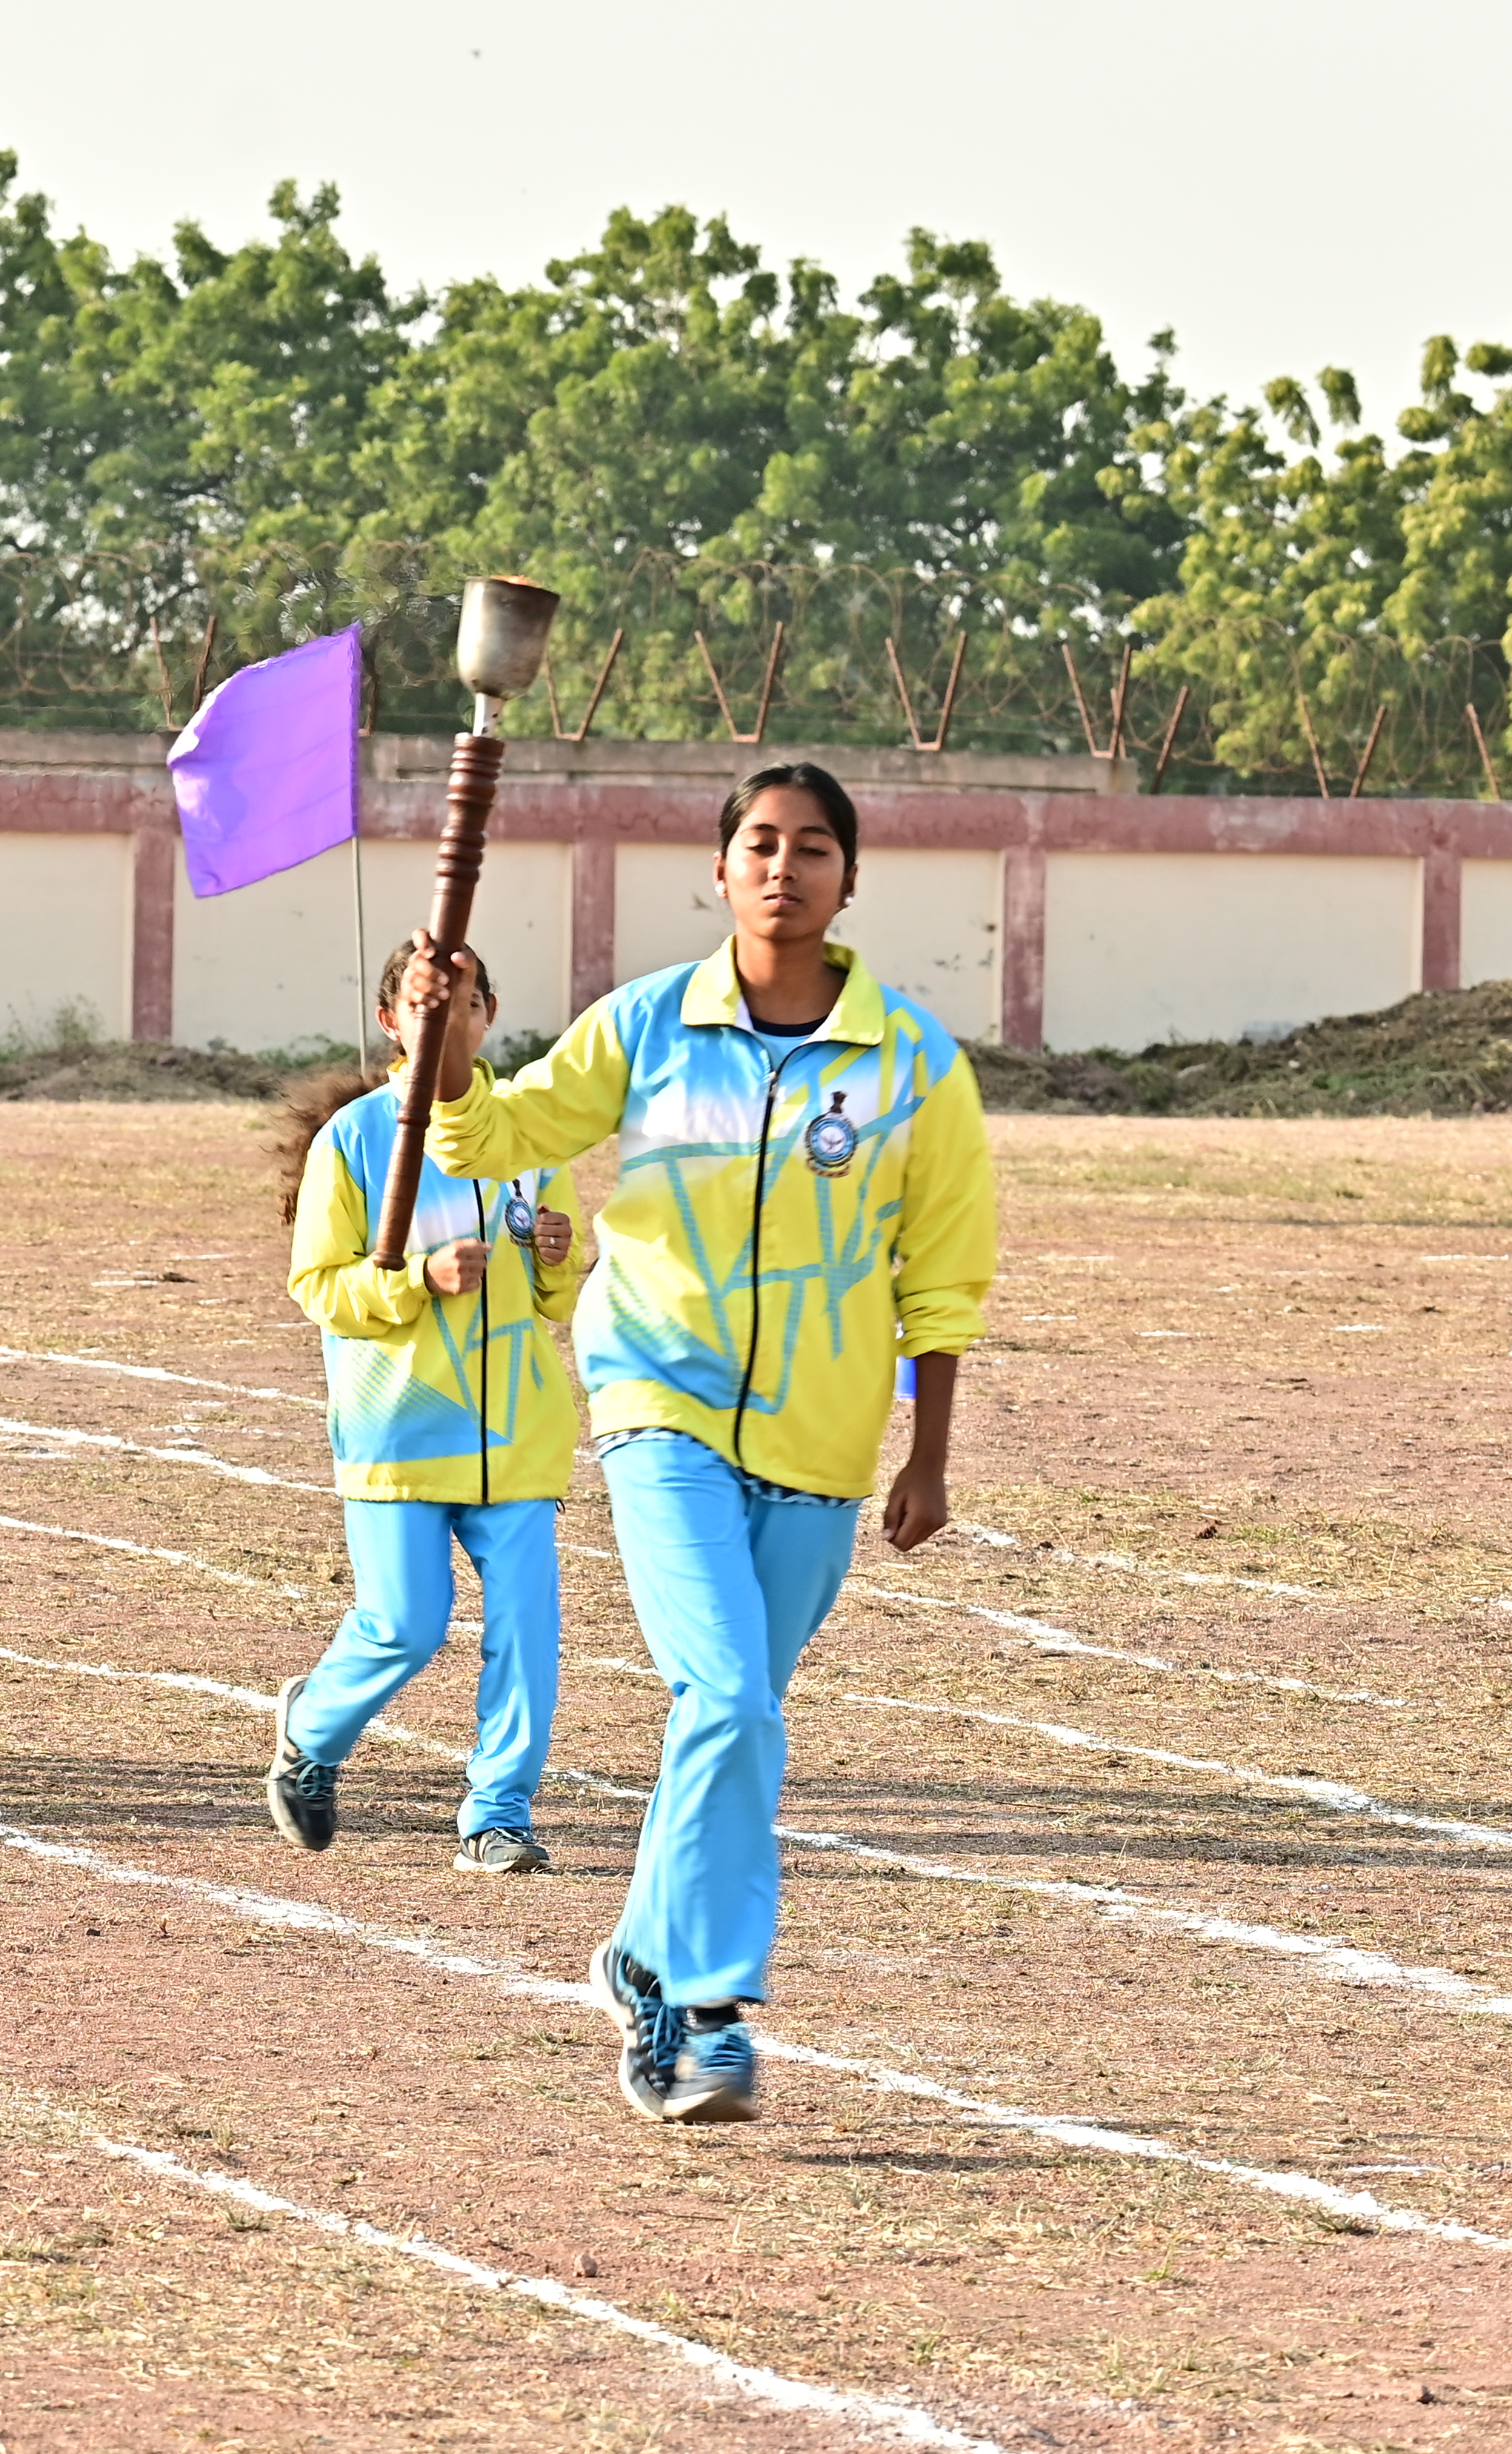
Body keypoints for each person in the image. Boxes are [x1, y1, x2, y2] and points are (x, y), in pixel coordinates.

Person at [424, 762, 994, 2126]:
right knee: (728, 1694)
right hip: (654, 1404)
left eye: (810, 847)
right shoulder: (646, 1028)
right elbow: (498, 1130)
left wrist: (926, 1450)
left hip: (823, 1436)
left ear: (848, 878)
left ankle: (634, 1951)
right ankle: (707, 2008)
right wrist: (445, 1046)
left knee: (727, 1716)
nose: (781, 867)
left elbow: (944, 1269)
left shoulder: (912, 1064)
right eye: (757, 844)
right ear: (720, 869)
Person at [266, 936, 585, 1875]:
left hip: (515, 1435)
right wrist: (416, 1279)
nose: (449, 1016)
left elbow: (554, 1300)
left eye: (469, 1001)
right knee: (405, 1624)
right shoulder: (358, 1141)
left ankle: (499, 1811)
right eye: (425, 1001)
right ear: (392, 1020)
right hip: (398, 1432)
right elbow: (319, 1286)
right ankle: (312, 1735)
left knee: (527, 1630)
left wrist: (559, 1257)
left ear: (491, 1016)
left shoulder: (530, 1139)